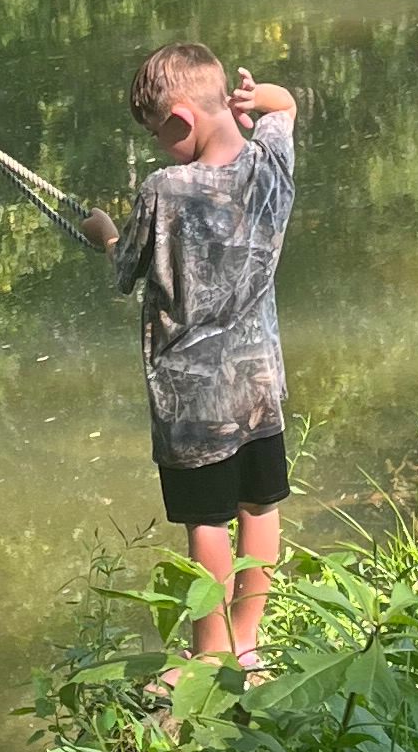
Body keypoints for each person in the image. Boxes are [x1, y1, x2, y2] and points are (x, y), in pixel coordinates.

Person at [81, 40, 298, 666]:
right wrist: (258, 98)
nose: (158, 147)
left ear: (179, 118)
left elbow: (127, 270)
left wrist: (103, 231)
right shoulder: (271, 166)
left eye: (157, 133)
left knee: (207, 523)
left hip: (192, 405)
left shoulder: (165, 189)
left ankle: (208, 658)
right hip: (259, 387)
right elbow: (286, 108)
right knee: (261, 508)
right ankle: (248, 643)